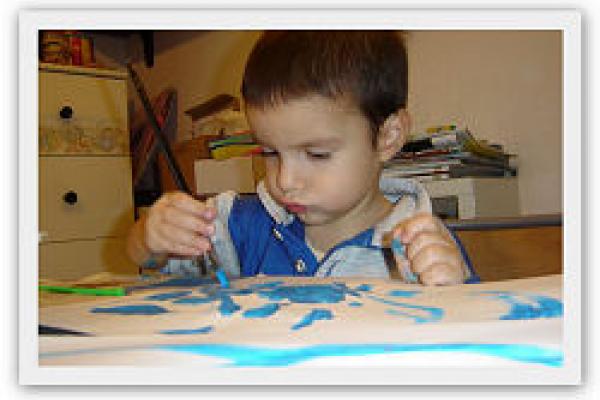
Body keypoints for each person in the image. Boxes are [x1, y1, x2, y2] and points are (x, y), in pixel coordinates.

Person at [126, 31, 479, 285]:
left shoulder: (424, 247)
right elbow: (147, 259)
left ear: (388, 136)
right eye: (269, 152)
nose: (285, 181)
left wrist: (454, 292)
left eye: (316, 154)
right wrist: (150, 236)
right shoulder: (244, 225)